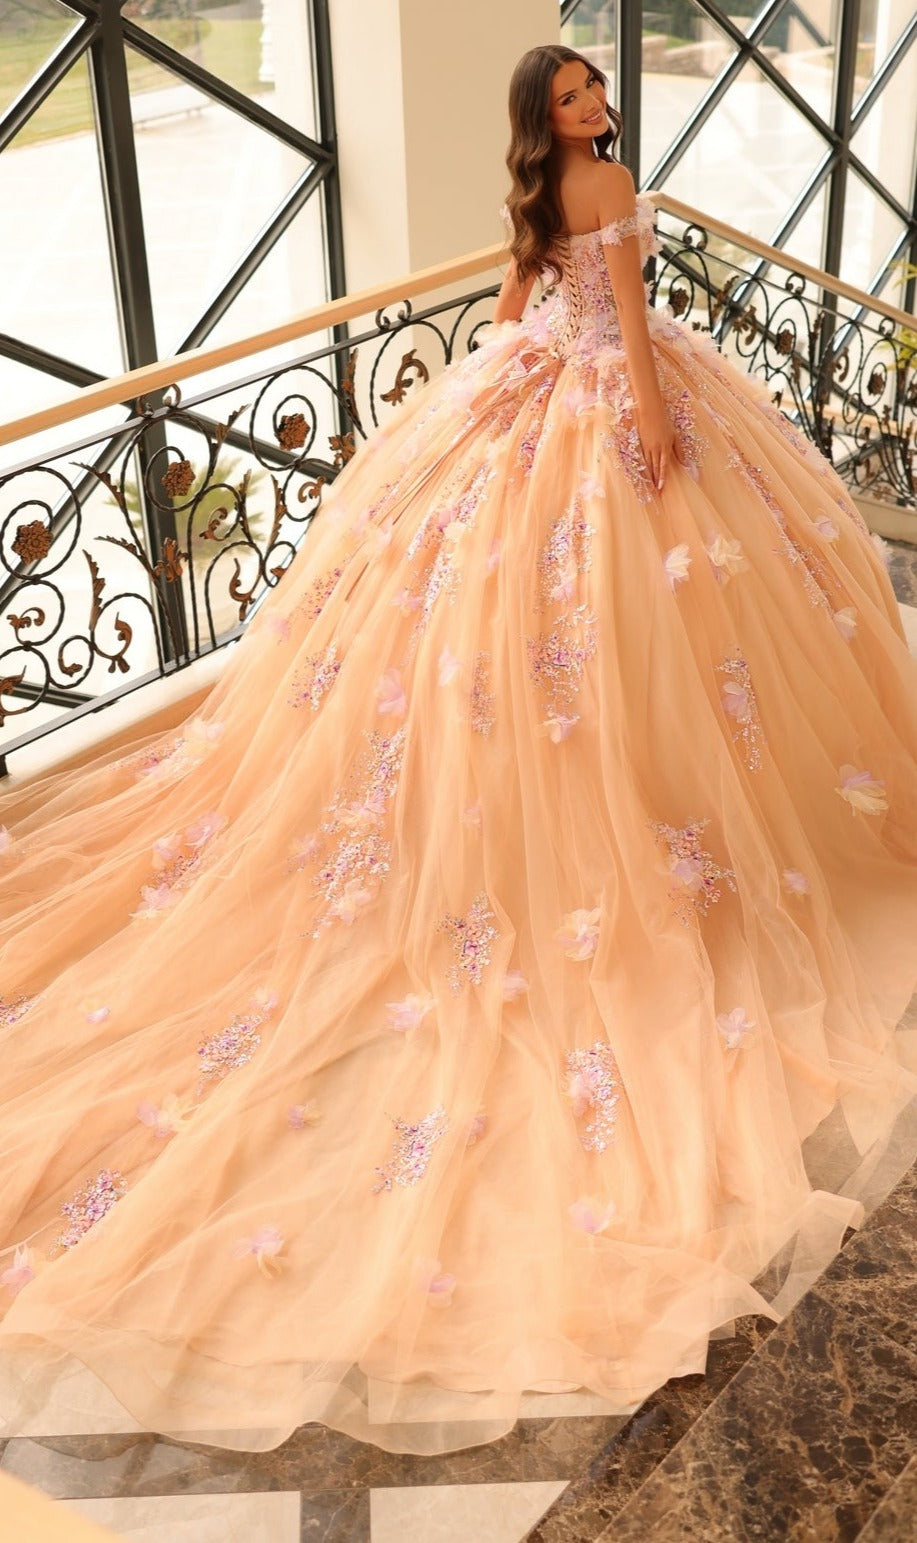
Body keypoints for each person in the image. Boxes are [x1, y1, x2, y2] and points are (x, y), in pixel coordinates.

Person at [0, 44, 915, 1459]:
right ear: (551, 124)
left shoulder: (548, 183)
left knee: (506, 640)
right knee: (641, 635)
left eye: (588, 92)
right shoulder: (603, 179)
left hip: (532, 393)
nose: (588, 109)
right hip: (614, 406)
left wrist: (505, 385)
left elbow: (521, 303)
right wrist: (651, 426)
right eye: (568, 101)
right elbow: (617, 307)